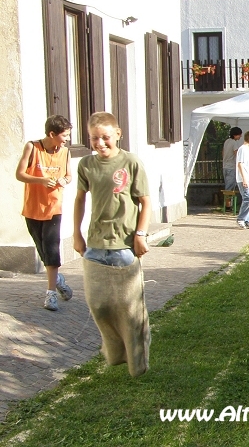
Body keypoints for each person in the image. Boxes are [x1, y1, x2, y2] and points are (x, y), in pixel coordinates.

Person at [73, 112, 151, 377]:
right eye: (95, 138)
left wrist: (140, 234)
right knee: (99, 305)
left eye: (105, 137)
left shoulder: (131, 162)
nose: (100, 143)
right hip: (95, 245)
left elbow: (145, 202)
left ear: (118, 133)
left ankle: (137, 364)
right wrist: (76, 233)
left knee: (130, 311)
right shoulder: (86, 165)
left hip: (125, 246)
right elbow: (80, 200)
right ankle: (116, 353)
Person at [15, 115, 74, 311]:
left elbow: (68, 175)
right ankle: (56, 279)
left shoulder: (65, 152)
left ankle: (50, 295)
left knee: (52, 248)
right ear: (52, 134)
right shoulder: (32, 148)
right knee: (42, 250)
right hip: (32, 207)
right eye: (64, 135)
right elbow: (20, 174)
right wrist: (40, 180)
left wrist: (65, 181)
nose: (66, 139)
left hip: (53, 207)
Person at [222, 127, 243, 210]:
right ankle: (228, 206)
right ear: (235, 135)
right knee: (230, 188)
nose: (240, 137)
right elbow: (236, 154)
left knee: (227, 185)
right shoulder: (234, 143)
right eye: (239, 135)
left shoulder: (226, 141)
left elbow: (223, 153)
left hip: (225, 166)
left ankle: (228, 204)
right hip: (232, 167)